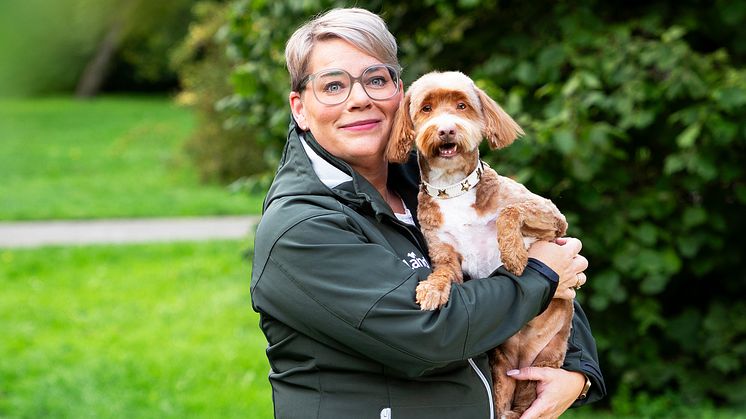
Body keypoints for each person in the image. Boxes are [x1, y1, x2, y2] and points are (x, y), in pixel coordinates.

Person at [250, 7, 605, 419]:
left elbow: (548, 261)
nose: (360, 99)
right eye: (333, 86)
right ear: (300, 108)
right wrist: (539, 277)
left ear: (400, 94)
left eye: (376, 80)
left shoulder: (437, 182)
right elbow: (428, 338)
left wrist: (577, 373)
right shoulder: (301, 228)